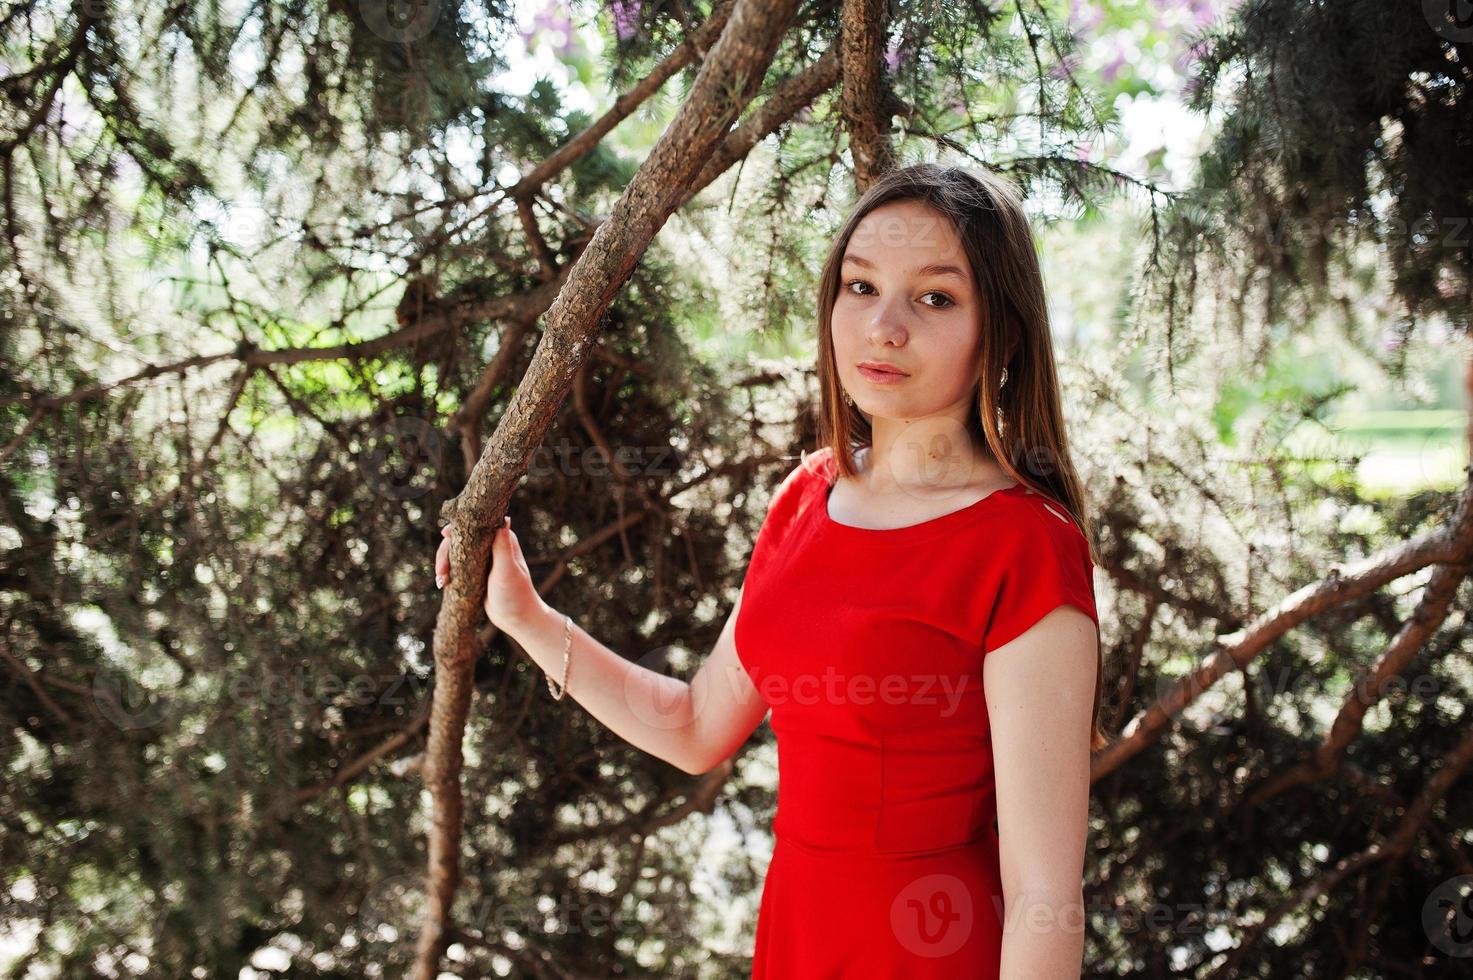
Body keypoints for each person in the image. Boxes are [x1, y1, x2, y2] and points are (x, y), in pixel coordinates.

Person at [435, 162, 1104, 978]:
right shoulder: (805, 496)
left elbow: (1042, 893)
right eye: (859, 287)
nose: (882, 327)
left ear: (1000, 331)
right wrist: (525, 619)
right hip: (798, 940)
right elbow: (693, 728)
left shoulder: (1025, 545)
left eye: (934, 297)